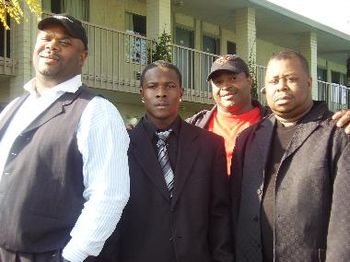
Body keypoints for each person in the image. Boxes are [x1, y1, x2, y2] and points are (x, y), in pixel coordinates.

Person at [0, 14, 130, 262]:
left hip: (50, 255)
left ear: (83, 57)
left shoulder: (96, 111)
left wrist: (70, 257)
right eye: (46, 38)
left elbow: (110, 195)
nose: (51, 45)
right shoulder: (14, 107)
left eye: (65, 42)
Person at [98, 60, 233, 262]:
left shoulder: (210, 145)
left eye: (170, 86)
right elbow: (110, 214)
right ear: (142, 93)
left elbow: (219, 213)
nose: (161, 93)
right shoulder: (120, 146)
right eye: (152, 87)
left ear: (181, 92)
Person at [231, 50, 350, 261]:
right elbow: (235, 206)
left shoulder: (338, 133)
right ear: (265, 88)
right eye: (274, 80)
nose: (282, 86)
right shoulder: (247, 138)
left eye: (291, 79)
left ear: (309, 82)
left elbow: (345, 219)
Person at [187, 54, 350, 175]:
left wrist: (344, 121)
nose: (226, 86)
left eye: (233, 78)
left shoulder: (276, 123)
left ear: (250, 81)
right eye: (218, 82)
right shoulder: (195, 125)